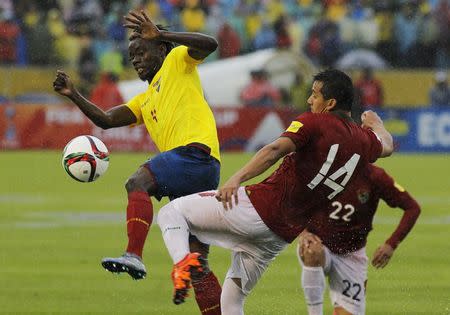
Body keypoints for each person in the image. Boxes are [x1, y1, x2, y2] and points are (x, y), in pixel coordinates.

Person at [156, 69, 394, 314]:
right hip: (278, 236)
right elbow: (387, 145)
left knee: (170, 213)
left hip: (256, 208)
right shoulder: (364, 141)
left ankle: (182, 261)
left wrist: (236, 178)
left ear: (330, 103)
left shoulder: (314, 122)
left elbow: (274, 150)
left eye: (315, 95)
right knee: (231, 301)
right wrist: (377, 124)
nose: (310, 100)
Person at [53, 10, 223, 315]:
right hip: (199, 171)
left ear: (159, 48)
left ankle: (133, 254)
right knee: (196, 263)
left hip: (196, 154)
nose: (136, 59)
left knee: (137, 182)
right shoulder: (145, 99)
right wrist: (74, 94)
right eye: (132, 55)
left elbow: (210, 43)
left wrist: (163, 34)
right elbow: (105, 119)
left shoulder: (177, 61)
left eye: (141, 51)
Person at [297, 164, 420, 315]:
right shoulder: (323, 167)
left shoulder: (376, 176)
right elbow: (294, 200)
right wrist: (303, 232)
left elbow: (412, 208)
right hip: (321, 245)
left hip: (352, 255)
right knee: (312, 251)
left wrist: (391, 244)